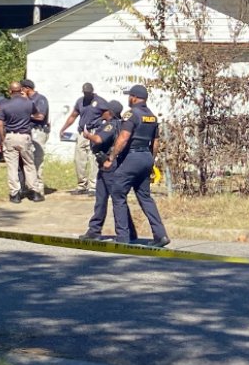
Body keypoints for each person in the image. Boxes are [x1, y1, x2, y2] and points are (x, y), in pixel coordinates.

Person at [105, 84, 170, 247]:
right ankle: (160, 235)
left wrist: (111, 157)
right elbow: (155, 143)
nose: (128, 98)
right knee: (145, 197)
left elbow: (123, 138)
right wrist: (151, 161)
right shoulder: (152, 117)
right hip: (146, 158)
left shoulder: (131, 114)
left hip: (131, 158)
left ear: (134, 97)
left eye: (129, 96)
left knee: (118, 193)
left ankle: (123, 236)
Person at [78, 100, 138, 242]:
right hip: (105, 167)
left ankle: (126, 233)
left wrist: (87, 135)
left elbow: (99, 139)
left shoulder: (111, 124)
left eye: (105, 110)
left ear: (110, 112)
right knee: (101, 199)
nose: (101, 111)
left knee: (117, 200)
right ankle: (94, 230)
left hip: (109, 167)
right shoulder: (119, 124)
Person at [0, 81, 45, 203]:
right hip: (25, 137)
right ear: (21, 90)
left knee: (12, 167)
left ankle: (15, 194)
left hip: (10, 136)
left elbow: (0, 124)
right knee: (29, 164)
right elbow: (38, 115)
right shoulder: (29, 103)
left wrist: (2, 140)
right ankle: (34, 192)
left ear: (10, 91)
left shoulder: (4, 105)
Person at [58, 82, 108, 196]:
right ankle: (82, 185)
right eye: (85, 93)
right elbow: (73, 115)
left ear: (92, 92)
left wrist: (104, 127)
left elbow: (108, 114)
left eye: (88, 93)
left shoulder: (100, 101)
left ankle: (93, 186)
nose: (87, 95)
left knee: (93, 159)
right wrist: (63, 128)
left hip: (95, 131)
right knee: (79, 159)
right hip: (82, 133)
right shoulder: (80, 101)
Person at [20, 79, 49, 197]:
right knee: (28, 159)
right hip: (28, 132)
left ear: (27, 88)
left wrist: (26, 115)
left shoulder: (40, 99)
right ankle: (30, 186)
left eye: (21, 88)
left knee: (37, 159)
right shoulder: (26, 100)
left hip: (38, 131)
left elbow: (40, 116)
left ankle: (38, 188)